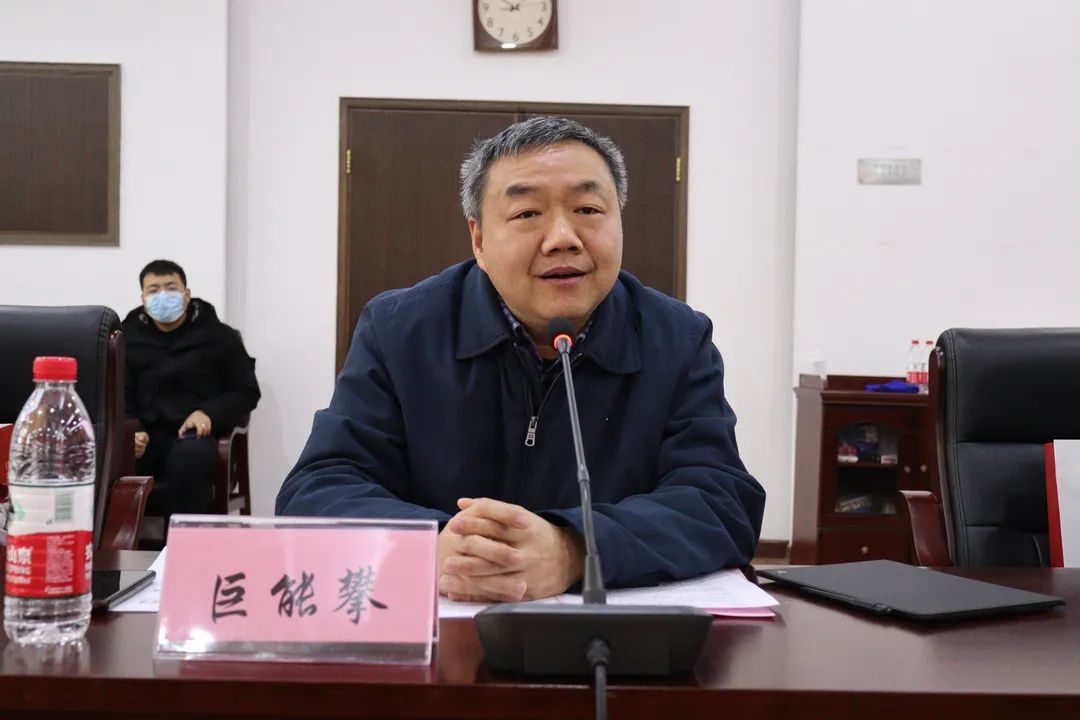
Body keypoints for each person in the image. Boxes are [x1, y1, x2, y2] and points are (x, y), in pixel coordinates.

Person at [276, 117, 765, 602]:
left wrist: (576, 548)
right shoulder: (400, 330)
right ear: (479, 240)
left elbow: (719, 501)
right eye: (528, 213)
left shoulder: (677, 339)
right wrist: (438, 546)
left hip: (608, 640)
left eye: (588, 209)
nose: (563, 238)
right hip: (443, 629)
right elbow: (318, 490)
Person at [124, 259, 260, 523]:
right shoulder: (126, 339)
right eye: (154, 290)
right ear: (143, 299)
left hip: (193, 438)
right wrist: (130, 429)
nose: (163, 295)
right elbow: (118, 394)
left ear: (186, 294)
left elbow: (245, 392)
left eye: (171, 287)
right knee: (110, 454)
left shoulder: (219, 336)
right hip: (145, 437)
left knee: (190, 458)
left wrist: (208, 413)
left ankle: (182, 545)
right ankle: (113, 546)